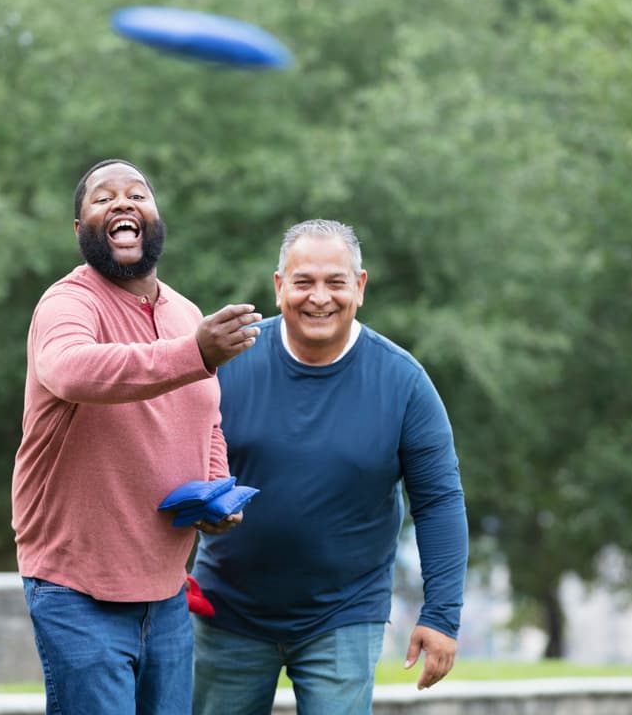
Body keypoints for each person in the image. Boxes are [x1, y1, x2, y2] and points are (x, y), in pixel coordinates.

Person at [11, 159, 262, 715]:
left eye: (136, 194)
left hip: (168, 592)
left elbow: (208, 417)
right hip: (78, 590)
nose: (122, 203)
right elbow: (73, 370)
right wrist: (195, 352)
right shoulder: (68, 304)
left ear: (155, 219)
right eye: (103, 199)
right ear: (80, 231)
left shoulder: (185, 313)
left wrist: (216, 488)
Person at [191, 219, 468, 715]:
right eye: (304, 282)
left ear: (359, 288)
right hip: (226, 611)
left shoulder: (403, 383)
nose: (319, 297)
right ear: (279, 288)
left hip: (344, 614)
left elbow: (439, 501)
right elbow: (174, 461)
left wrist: (442, 615)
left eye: (335, 282)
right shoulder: (225, 365)